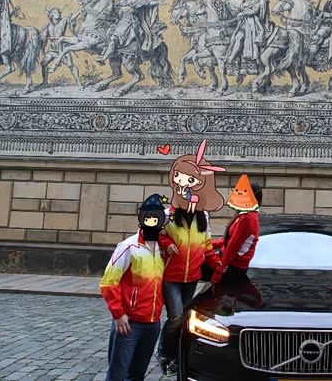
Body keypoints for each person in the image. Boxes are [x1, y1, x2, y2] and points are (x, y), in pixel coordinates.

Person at [156, 142, 226, 374]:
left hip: (192, 277)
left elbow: (206, 247)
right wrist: (167, 244)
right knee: (176, 317)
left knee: (185, 318)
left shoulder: (203, 217)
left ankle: (176, 356)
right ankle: (164, 351)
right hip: (171, 276)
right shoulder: (168, 214)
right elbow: (156, 235)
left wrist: (219, 267)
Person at [100, 194, 167, 381]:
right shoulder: (128, 246)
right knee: (117, 375)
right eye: (149, 217)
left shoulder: (163, 249)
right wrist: (118, 315)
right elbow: (108, 282)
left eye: (157, 217)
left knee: (137, 375)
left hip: (153, 323)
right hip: (129, 324)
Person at [96, 0, 166, 64]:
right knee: (107, 32)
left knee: (115, 36)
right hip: (120, 22)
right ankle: (107, 51)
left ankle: (104, 58)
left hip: (131, 22)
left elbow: (147, 2)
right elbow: (117, 11)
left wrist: (157, 2)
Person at [212, 175, 262, 280]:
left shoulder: (248, 217)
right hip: (231, 263)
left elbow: (233, 245)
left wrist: (219, 271)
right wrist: (208, 245)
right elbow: (229, 240)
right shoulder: (244, 215)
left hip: (233, 267)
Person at [226, 0, 278, 70]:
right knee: (236, 36)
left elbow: (255, 11)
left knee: (239, 37)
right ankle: (231, 57)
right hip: (247, 21)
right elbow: (246, 5)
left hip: (254, 23)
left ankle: (231, 58)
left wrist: (243, 13)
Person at [37, 8, 83, 90]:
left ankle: (79, 83)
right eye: (55, 12)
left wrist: (79, 11)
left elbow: (72, 17)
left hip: (62, 47)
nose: (57, 13)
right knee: (43, 63)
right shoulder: (48, 26)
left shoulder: (63, 20)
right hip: (53, 49)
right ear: (51, 15)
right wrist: (42, 49)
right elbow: (43, 38)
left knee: (70, 65)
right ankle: (45, 82)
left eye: (58, 12)